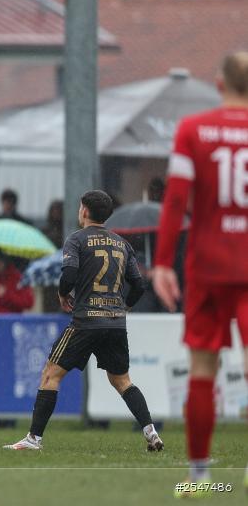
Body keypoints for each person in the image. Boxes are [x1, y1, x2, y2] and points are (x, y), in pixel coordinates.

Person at [151, 51, 248, 494]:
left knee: (203, 369)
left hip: (208, 266)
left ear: (218, 84)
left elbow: (174, 201)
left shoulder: (193, 130)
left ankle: (199, 476)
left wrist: (161, 262)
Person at [5, 190, 163, 453]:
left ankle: (34, 439)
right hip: (114, 322)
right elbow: (139, 284)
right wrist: (124, 306)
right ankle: (150, 431)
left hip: (86, 321)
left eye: (80, 207)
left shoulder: (76, 240)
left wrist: (62, 292)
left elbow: (69, 273)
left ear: (85, 211)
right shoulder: (122, 244)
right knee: (122, 380)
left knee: (50, 374)